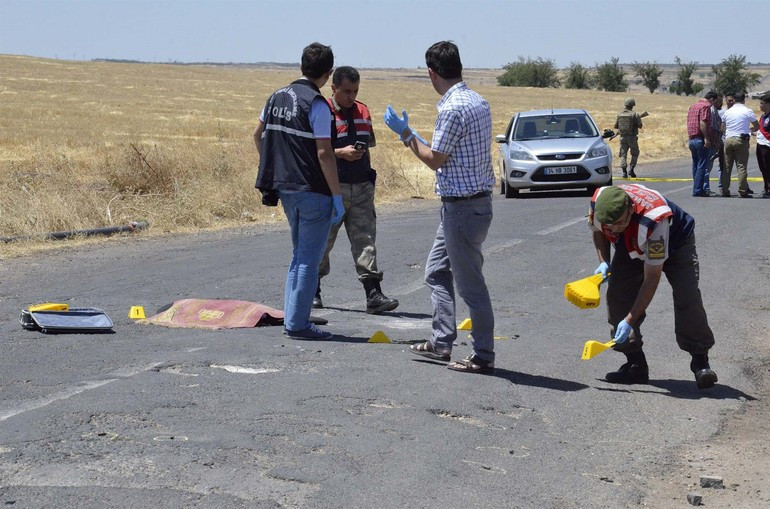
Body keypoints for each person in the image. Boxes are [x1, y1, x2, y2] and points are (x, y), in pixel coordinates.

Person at [383, 41, 496, 373]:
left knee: (471, 286)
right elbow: (453, 152)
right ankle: (442, 341)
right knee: (435, 271)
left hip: (460, 209)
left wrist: (406, 135)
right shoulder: (479, 101)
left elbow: (435, 159)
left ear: (432, 73)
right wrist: (415, 134)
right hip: (472, 205)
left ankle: (483, 355)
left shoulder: (450, 109)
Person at [253, 42, 345, 340]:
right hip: (312, 190)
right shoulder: (317, 104)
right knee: (309, 259)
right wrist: (336, 196)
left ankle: (294, 315)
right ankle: (298, 324)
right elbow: (324, 154)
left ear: (302, 66)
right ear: (328, 73)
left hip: (285, 189)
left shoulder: (275, 96)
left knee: (298, 256)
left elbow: (258, 134)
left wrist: (275, 165)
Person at [589, 184, 717, 389]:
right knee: (617, 296)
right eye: (609, 224)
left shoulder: (654, 221)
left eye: (618, 223)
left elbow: (652, 279)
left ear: (630, 209)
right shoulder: (599, 204)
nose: (613, 228)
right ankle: (635, 365)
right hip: (633, 240)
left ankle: (700, 360)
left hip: (676, 242)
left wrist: (630, 320)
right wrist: (604, 261)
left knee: (687, 296)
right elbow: (598, 231)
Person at [314, 66, 399, 314]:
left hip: (361, 186)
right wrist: (341, 153)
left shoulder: (363, 111)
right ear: (333, 88)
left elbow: (368, 142)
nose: (351, 96)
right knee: (322, 242)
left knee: (365, 241)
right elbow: (316, 151)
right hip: (332, 188)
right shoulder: (323, 111)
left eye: (355, 91)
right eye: (347, 91)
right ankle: (312, 290)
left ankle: (373, 294)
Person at [721, 91, 759, 198]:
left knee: (727, 167)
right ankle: (742, 190)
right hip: (741, 140)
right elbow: (757, 125)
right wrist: (750, 129)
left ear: (733, 100)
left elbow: (722, 128)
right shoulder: (747, 111)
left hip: (728, 140)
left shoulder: (727, 112)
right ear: (743, 100)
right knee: (741, 166)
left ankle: (725, 190)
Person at [686, 91, 718, 197]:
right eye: (714, 102)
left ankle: (696, 187)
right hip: (700, 139)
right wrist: (707, 138)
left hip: (691, 139)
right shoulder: (705, 107)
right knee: (702, 165)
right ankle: (698, 189)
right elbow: (703, 123)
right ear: (712, 99)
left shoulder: (693, 106)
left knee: (695, 164)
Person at [614, 97, 643, 178]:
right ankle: (631, 169)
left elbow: (616, 126)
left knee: (623, 154)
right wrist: (638, 120)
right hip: (632, 138)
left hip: (622, 138)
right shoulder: (635, 114)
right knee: (635, 153)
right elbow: (640, 126)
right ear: (632, 105)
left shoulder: (619, 114)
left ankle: (624, 171)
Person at [704, 93, 723, 195]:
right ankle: (705, 188)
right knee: (707, 166)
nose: (720, 104)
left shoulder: (714, 110)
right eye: (719, 101)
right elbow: (713, 129)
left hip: (714, 142)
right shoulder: (711, 110)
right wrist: (715, 142)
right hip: (712, 143)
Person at [756, 93, 770, 198]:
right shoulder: (763, 116)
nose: (760, 105)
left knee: (768, 168)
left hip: (767, 146)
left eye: (762, 103)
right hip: (760, 145)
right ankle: (766, 187)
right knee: (763, 168)